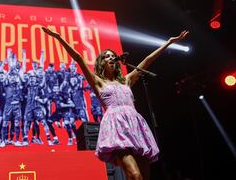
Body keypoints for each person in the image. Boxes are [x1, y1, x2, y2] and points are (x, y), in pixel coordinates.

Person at [42, 27, 188, 180]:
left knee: (143, 177)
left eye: (113, 56)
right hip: (116, 127)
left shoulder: (126, 80)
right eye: (107, 56)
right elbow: (78, 58)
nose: (111, 58)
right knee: (136, 176)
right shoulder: (98, 82)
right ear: (101, 62)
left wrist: (169, 42)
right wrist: (58, 37)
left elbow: (147, 61)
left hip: (135, 126)